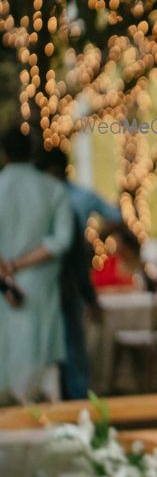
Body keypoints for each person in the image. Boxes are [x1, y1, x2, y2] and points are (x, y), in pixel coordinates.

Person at [37, 146, 120, 399]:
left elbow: (72, 255)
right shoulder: (67, 199)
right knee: (70, 352)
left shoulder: (54, 202)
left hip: (61, 281)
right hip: (63, 281)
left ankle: (74, 405)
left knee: (67, 351)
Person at [0, 128, 75, 404]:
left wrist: (5, 269)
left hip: (5, 287)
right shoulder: (52, 188)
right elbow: (62, 240)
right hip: (38, 286)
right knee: (39, 364)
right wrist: (19, 264)